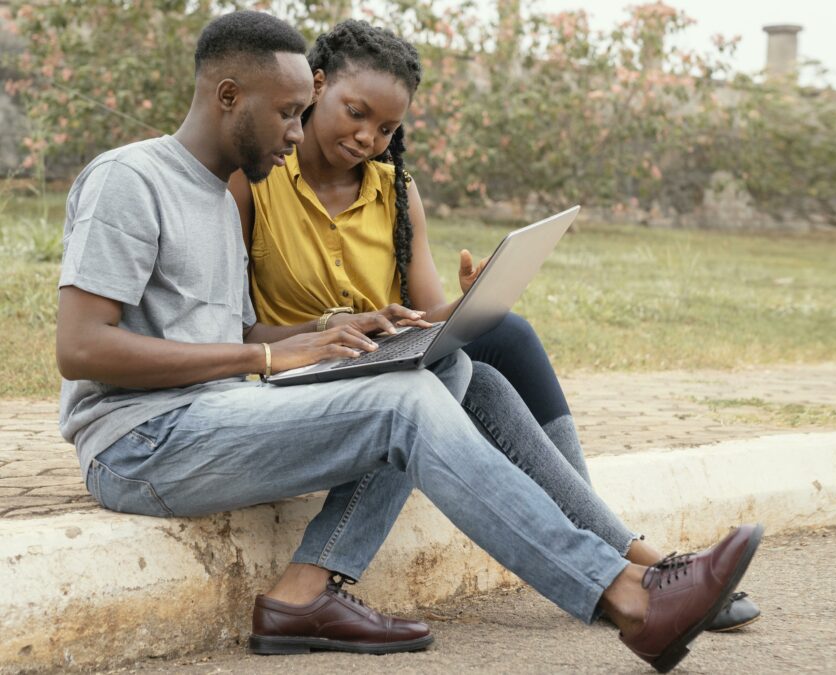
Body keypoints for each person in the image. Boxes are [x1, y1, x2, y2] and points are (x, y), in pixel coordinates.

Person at [54, 10, 762, 673]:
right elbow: (82, 349)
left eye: (304, 114)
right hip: (137, 444)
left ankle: (306, 590)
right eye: (290, 113)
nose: (299, 134)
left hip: (208, 419)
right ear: (230, 95)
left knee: (439, 367)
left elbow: (232, 331)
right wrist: (269, 357)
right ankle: (630, 595)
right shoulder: (130, 179)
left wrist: (321, 333)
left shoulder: (216, 194)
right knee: (407, 402)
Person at [230, 19, 761, 632]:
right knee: (465, 371)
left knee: (497, 340)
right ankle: (638, 563)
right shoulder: (259, 177)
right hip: (302, 372)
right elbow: (239, 327)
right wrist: (332, 324)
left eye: (387, 128)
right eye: (356, 113)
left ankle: (631, 566)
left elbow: (427, 316)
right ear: (316, 86)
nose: (367, 137)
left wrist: (470, 301)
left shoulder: (395, 191)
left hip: (377, 361)